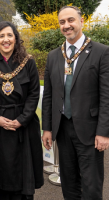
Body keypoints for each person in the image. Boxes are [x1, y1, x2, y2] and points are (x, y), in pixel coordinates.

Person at [42, 5, 109, 200]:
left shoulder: (101, 52)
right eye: (62, 22)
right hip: (63, 129)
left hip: (90, 131)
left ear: (81, 21)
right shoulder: (54, 56)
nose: (66, 25)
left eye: (70, 20)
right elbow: (49, 96)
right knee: (69, 184)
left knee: (91, 185)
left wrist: (104, 132)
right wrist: (47, 128)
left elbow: (106, 95)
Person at [0, 21, 44, 200]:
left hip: (22, 125)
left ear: (16, 38)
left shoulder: (28, 63)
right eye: (2, 36)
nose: (6, 40)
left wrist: (22, 120)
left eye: (10, 35)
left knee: (22, 176)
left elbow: (33, 94)